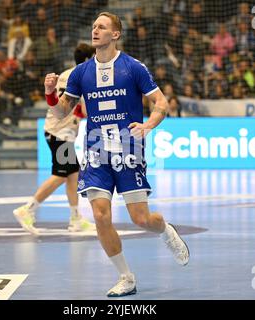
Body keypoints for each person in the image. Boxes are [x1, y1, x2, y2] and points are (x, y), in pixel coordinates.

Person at [43, 12, 189, 297]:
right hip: (96, 149)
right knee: (100, 214)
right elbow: (61, 112)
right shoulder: (81, 73)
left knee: (141, 218)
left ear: (115, 34)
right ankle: (126, 277)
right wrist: (50, 93)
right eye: (94, 26)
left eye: (102, 27)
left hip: (128, 147)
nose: (95, 30)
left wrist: (148, 125)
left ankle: (165, 230)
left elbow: (161, 103)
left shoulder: (133, 67)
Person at [13, 43, 97, 234]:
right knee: (61, 175)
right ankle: (27, 209)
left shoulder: (69, 73)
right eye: (94, 57)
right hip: (60, 133)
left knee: (73, 175)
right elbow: (85, 109)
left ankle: (76, 219)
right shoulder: (83, 77)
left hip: (59, 131)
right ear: (87, 60)